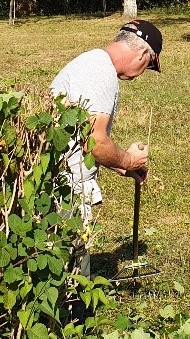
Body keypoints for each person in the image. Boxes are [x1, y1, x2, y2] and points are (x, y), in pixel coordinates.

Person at [50, 19, 163, 275]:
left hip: (59, 179)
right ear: (143, 54)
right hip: (64, 187)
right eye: (149, 64)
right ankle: (73, 314)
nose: (143, 72)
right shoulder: (100, 72)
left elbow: (80, 136)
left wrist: (118, 166)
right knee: (70, 272)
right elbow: (95, 142)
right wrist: (127, 160)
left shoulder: (94, 63)